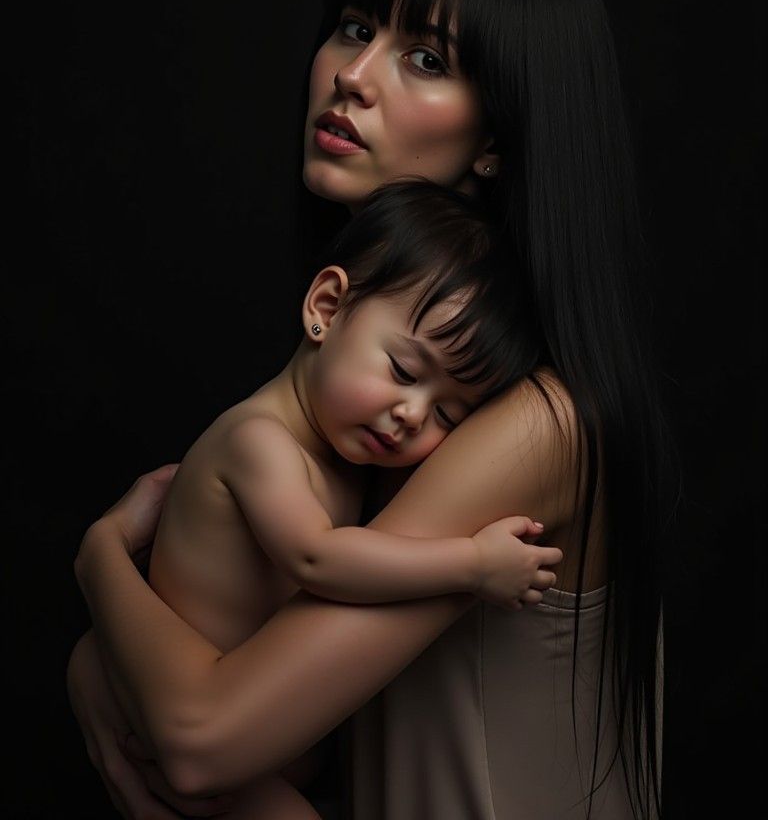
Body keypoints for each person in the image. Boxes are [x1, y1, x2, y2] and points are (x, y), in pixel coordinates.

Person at [68, 0, 677, 820]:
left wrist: (98, 559)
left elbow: (200, 741)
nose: (351, 76)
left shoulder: (537, 423)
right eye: (354, 30)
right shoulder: (379, 396)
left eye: (425, 60)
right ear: (327, 306)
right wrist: (92, 671)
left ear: (500, 145)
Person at [141, 176, 562, 818]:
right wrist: (472, 564)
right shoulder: (259, 442)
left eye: (450, 414)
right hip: (206, 742)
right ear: (328, 307)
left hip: (270, 752)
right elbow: (319, 559)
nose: (411, 415)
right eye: (403, 371)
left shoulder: (346, 455)